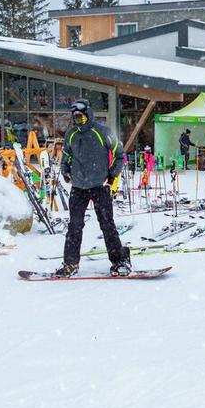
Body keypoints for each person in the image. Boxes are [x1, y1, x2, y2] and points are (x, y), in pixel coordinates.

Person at [55, 99, 130, 277]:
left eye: (81, 116)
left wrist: (112, 176)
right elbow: (66, 156)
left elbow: (120, 155)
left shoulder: (103, 131)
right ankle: (70, 263)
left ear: (88, 114)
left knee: (107, 225)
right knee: (74, 227)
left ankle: (120, 261)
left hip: (99, 186)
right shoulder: (71, 134)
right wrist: (65, 171)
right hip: (78, 188)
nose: (78, 119)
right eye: (75, 116)